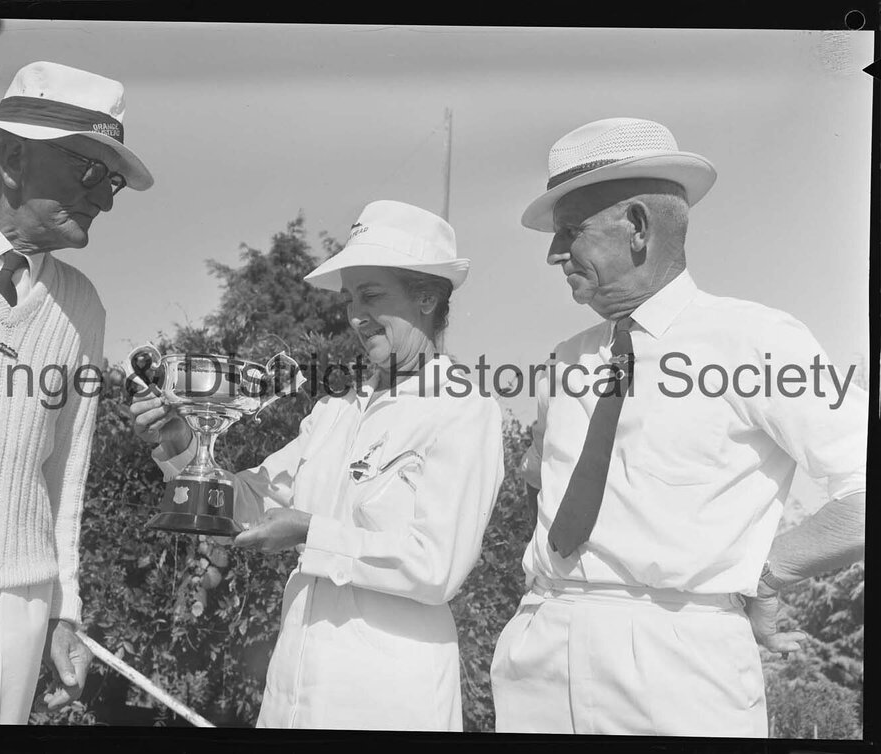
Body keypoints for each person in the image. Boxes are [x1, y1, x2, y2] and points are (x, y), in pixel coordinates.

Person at [490, 117, 866, 736]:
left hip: (677, 660)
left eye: (570, 231)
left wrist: (767, 575)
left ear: (636, 227)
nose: (554, 253)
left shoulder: (757, 341)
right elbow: (549, 493)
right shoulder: (566, 360)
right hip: (540, 647)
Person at [131, 200, 504, 730]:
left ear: (427, 296)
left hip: (389, 697)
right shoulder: (334, 411)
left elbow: (436, 568)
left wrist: (309, 531)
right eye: (350, 300)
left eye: (372, 296)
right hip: (293, 689)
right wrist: (184, 446)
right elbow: (249, 503)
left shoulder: (464, 410)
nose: (355, 316)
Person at [0, 61, 154, 724]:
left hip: (12, 611)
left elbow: (66, 473)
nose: (104, 198)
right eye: (92, 173)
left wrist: (63, 609)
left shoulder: (82, 306)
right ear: (14, 157)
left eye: (116, 182)